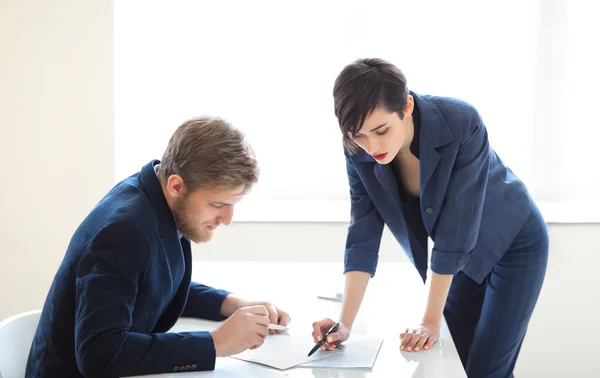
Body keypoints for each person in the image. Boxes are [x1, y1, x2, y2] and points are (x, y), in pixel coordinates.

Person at [311, 58, 548, 378]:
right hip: (459, 257)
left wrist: (430, 320)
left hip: (514, 243)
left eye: (382, 130)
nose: (372, 146)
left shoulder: (461, 121)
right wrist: (345, 324)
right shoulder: (357, 149)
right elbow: (363, 232)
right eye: (359, 135)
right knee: (453, 360)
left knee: (486, 369)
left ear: (406, 106)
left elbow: (457, 229)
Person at [26, 116, 290, 377]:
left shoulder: (156, 195)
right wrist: (216, 342)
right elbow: (100, 354)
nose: (227, 219)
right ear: (177, 185)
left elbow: (152, 285)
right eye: (217, 205)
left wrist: (231, 304)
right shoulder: (124, 231)